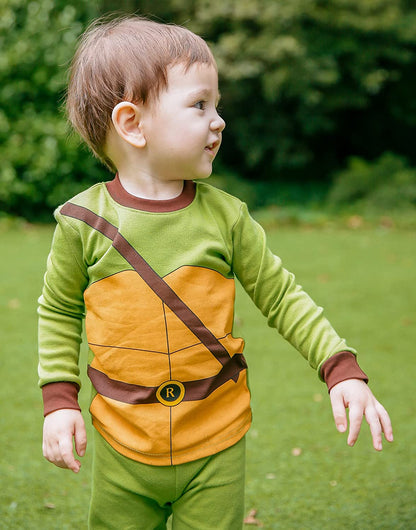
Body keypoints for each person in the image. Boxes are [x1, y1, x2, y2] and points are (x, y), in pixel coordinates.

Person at [38, 15, 393, 530]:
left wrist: (339, 367)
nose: (218, 120)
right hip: (122, 442)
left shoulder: (228, 218)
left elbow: (282, 296)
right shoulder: (81, 223)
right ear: (132, 124)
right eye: (199, 104)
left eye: (217, 104)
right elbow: (58, 311)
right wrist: (58, 400)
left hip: (217, 440)